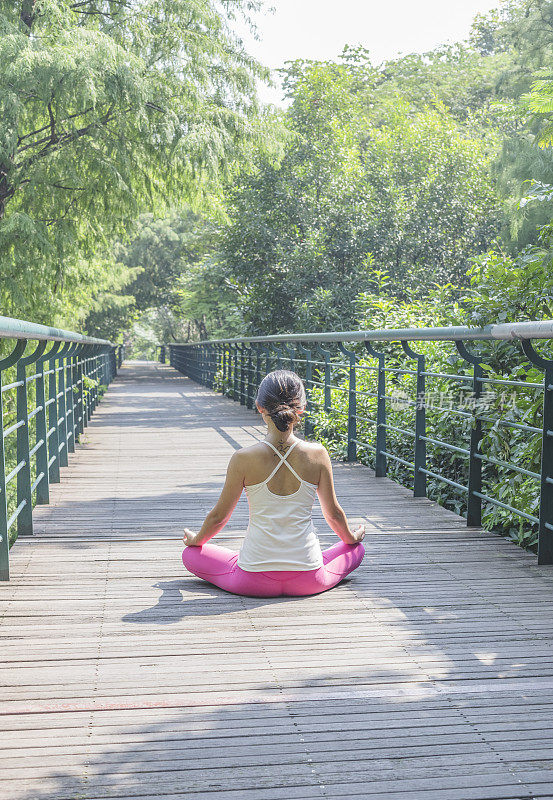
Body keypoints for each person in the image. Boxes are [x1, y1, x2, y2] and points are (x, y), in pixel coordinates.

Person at [182, 369, 365, 598]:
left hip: (252, 580)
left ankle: (244, 562)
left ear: (259, 406)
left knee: (190, 554)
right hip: (309, 578)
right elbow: (334, 515)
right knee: (355, 549)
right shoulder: (318, 454)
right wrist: (351, 538)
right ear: (302, 408)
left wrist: (196, 540)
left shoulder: (243, 458)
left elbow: (220, 518)